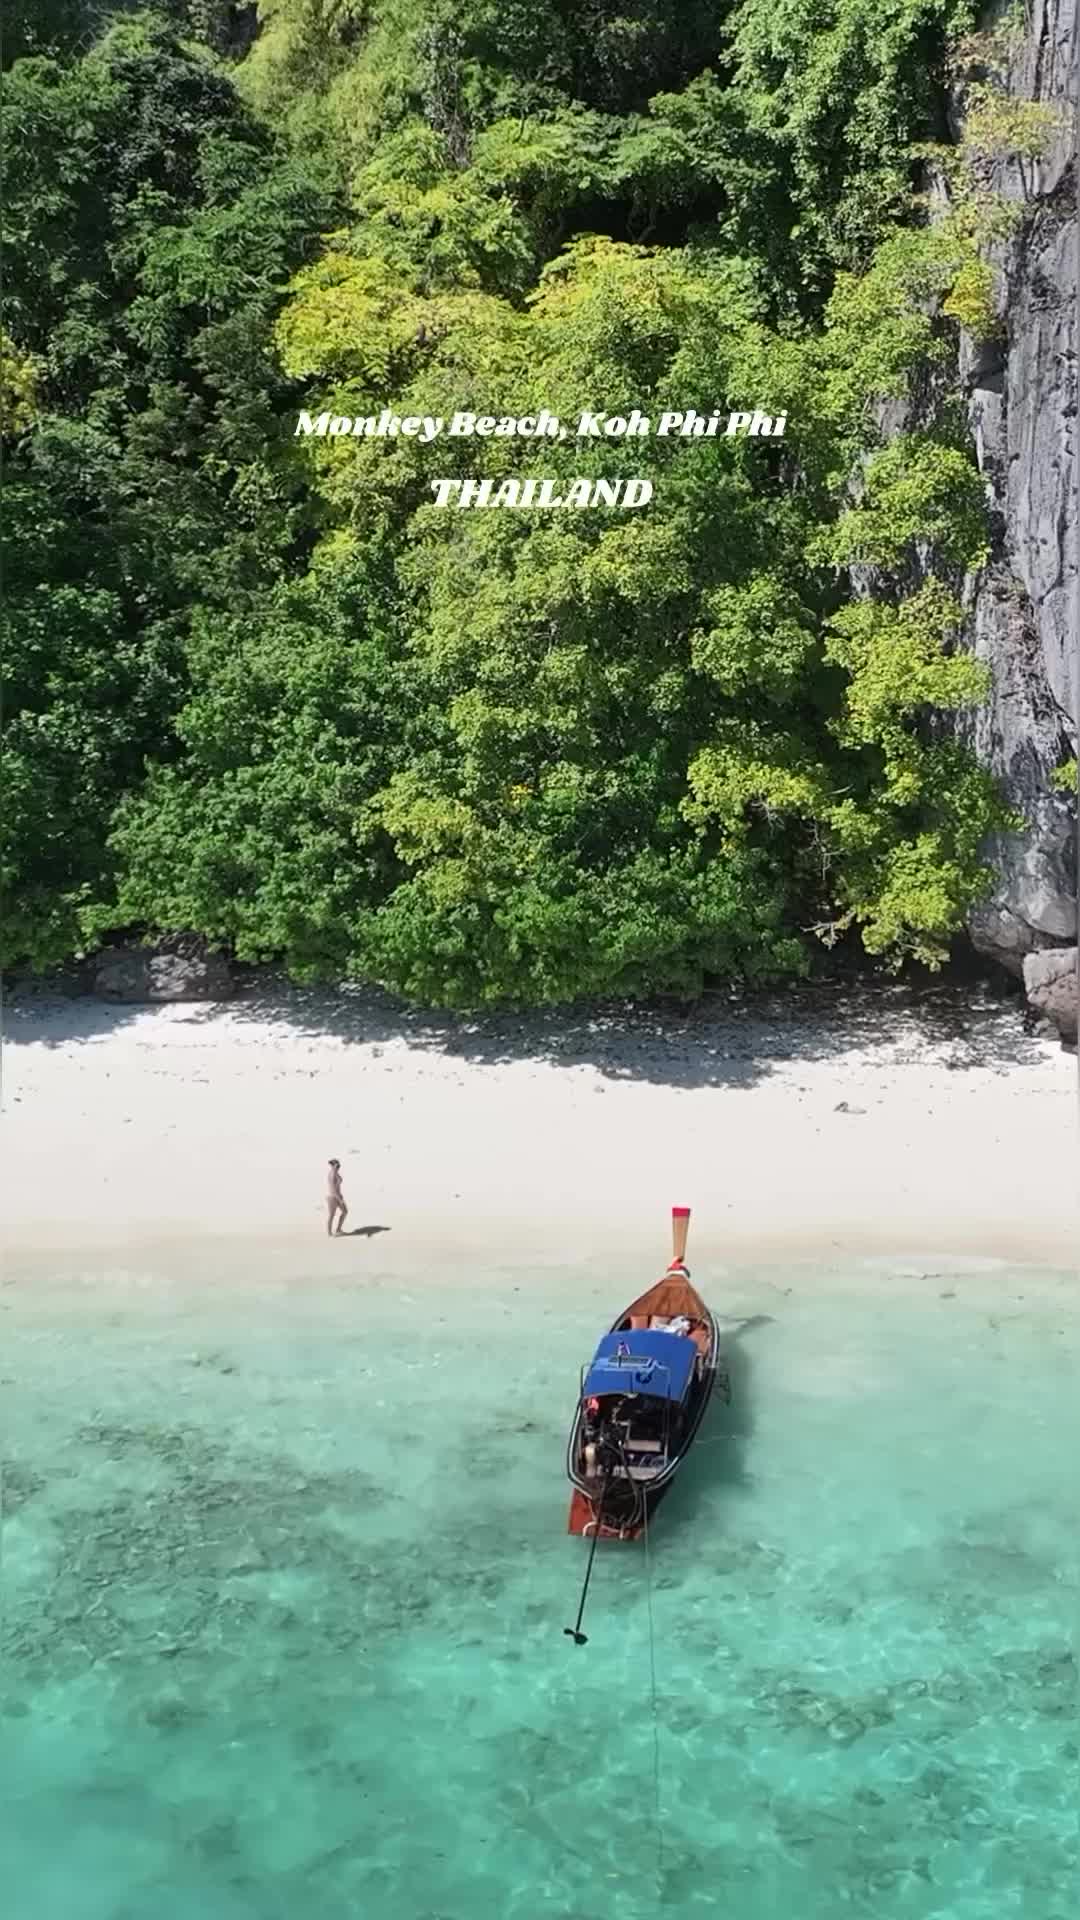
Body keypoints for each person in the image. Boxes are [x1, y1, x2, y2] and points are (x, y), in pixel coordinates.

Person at [326, 1158, 348, 1236]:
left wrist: (340, 1197)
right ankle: (329, 1233)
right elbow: (333, 1189)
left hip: (338, 1196)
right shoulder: (332, 1174)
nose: (337, 1167)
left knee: (345, 1212)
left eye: (338, 1165)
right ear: (332, 1166)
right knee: (332, 1215)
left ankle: (338, 1229)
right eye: (336, 1165)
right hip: (332, 1197)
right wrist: (340, 1199)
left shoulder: (336, 1173)